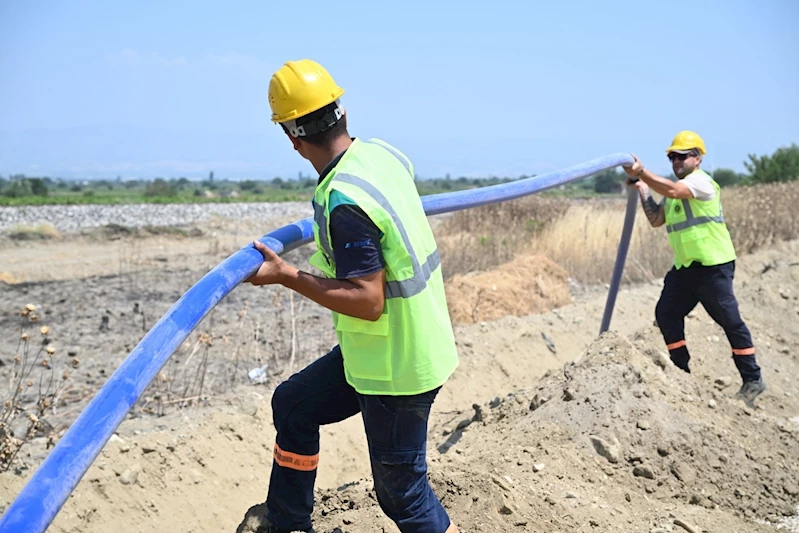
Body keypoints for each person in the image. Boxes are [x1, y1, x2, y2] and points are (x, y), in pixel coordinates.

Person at [240, 59, 461, 533]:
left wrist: (286, 274)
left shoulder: (345, 200)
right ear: (342, 113)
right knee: (294, 404)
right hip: (388, 348)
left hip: (396, 368)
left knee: (403, 496)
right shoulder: (381, 155)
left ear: (292, 138)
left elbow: (368, 299)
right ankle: (289, 521)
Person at [622, 130, 766, 407]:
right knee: (666, 314)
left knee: (730, 321)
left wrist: (643, 173)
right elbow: (656, 220)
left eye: (682, 156)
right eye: (672, 156)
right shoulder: (674, 193)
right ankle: (681, 372)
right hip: (686, 268)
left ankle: (753, 379)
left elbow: (674, 189)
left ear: (697, 159)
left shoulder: (701, 183)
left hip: (713, 266)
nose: (676, 161)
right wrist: (642, 189)